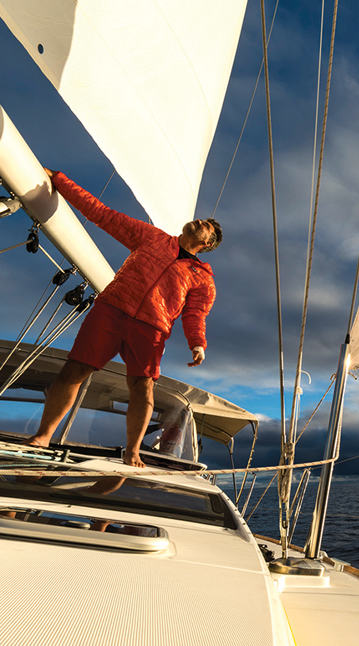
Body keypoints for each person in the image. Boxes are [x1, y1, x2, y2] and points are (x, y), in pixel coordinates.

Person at [27, 168, 220, 467]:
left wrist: (198, 343)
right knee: (75, 370)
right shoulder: (152, 237)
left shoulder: (202, 278)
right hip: (112, 310)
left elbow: (195, 314)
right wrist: (60, 179)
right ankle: (43, 436)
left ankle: (132, 452)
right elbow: (102, 214)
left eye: (205, 225)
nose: (199, 221)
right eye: (200, 219)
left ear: (207, 243)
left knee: (142, 387)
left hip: (151, 328)